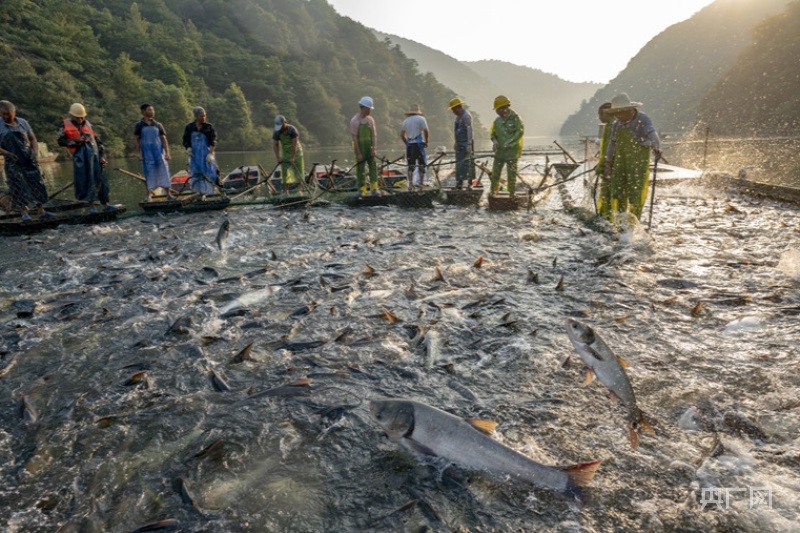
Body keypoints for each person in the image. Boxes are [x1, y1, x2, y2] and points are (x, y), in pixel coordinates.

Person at [603, 93, 661, 220]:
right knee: (618, 191)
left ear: (629, 110)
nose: (618, 116)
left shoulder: (642, 119)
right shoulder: (617, 125)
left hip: (638, 162)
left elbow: (652, 133)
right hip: (620, 161)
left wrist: (656, 147)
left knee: (636, 192)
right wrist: (608, 163)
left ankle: (634, 221)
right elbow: (612, 146)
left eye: (621, 113)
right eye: (616, 113)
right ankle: (620, 222)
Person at [57, 103, 113, 213]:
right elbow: (61, 141)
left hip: (95, 157)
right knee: (85, 180)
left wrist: (102, 157)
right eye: (78, 117)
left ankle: (106, 205)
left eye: (82, 117)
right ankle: (92, 206)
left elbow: (98, 142)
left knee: (101, 179)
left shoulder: (89, 125)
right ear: (72, 115)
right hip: (80, 158)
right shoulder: (64, 125)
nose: (80, 119)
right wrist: (75, 141)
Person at [0, 100, 51, 220]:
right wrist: (7, 153)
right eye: (3, 114)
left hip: (28, 158)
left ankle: (41, 211)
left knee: (36, 183)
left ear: (14, 112)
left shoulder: (23, 122)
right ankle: (24, 213)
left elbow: (32, 139)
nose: (6, 117)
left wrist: (34, 152)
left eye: (8, 114)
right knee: (18, 186)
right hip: (12, 160)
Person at [133, 103, 172, 201]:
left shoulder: (158, 125)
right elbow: (137, 140)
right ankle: (149, 195)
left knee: (164, 171)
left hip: (159, 152)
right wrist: (138, 153)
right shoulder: (139, 125)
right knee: (148, 173)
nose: (152, 112)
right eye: (149, 110)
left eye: (153, 110)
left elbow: (163, 139)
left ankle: (168, 193)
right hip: (147, 153)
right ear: (143, 112)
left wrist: (167, 153)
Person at [489, 95, 524, 196]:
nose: (496, 111)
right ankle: (493, 193)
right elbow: (492, 133)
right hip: (499, 152)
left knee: (511, 175)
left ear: (504, 108)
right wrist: (494, 141)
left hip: (512, 153)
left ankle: (511, 195)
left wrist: (510, 142)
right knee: (495, 173)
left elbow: (519, 132)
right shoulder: (497, 121)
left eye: (498, 109)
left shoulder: (516, 118)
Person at [182, 106, 218, 198]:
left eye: (205, 116)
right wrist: (188, 148)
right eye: (202, 116)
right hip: (194, 156)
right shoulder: (189, 127)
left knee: (209, 173)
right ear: (196, 116)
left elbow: (213, 141)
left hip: (206, 155)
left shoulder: (209, 127)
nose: (204, 118)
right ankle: (197, 194)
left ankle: (209, 193)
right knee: (195, 174)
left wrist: (211, 154)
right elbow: (185, 140)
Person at [350, 96, 379, 196]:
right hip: (360, 147)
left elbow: (373, 135)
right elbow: (354, 138)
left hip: (369, 147)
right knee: (360, 169)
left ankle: (374, 189)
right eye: (369, 109)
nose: (370, 111)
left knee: (373, 167)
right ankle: (361, 190)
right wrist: (358, 153)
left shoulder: (370, 120)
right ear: (364, 108)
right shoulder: (355, 121)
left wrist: (374, 148)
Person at [273, 115, 304, 194]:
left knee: (299, 171)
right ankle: (286, 192)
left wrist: (293, 157)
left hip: (296, 152)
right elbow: (275, 144)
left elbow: (295, 144)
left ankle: (299, 190)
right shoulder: (276, 131)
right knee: (285, 172)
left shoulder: (292, 129)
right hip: (286, 152)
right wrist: (278, 157)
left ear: (285, 122)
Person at [400, 104, 429, 190]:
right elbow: (426, 131)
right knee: (421, 163)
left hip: (410, 144)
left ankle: (410, 184)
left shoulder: (406, 121)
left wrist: (407, 143)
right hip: (418, 144)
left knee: (410, 164)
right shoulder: (421, 119)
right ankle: (421, 182)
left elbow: (402, 135)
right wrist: (426, 141)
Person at [449, 97, 474, 189]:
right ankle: (459, 183)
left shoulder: (466, 116)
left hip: (466, 143)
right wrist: (456, 142)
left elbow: (469, 130)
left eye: (453, 109)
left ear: (458, 107)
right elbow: (456, 131)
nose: (453, 111)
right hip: (459, 144)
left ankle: (469, 184)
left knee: (468, 163)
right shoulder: (458, 118)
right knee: (459, 164)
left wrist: (469, 144)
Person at [594, 102, 614, 218]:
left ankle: (608, 217)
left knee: (609, 194)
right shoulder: (608, 126)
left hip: (611, 167)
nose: (599, 117)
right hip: (608, 165)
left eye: (600, 114)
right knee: (606, 193)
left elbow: (609, 148)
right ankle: (605, 215)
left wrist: (606, 165)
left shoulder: (613, 126)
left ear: (607, 114)